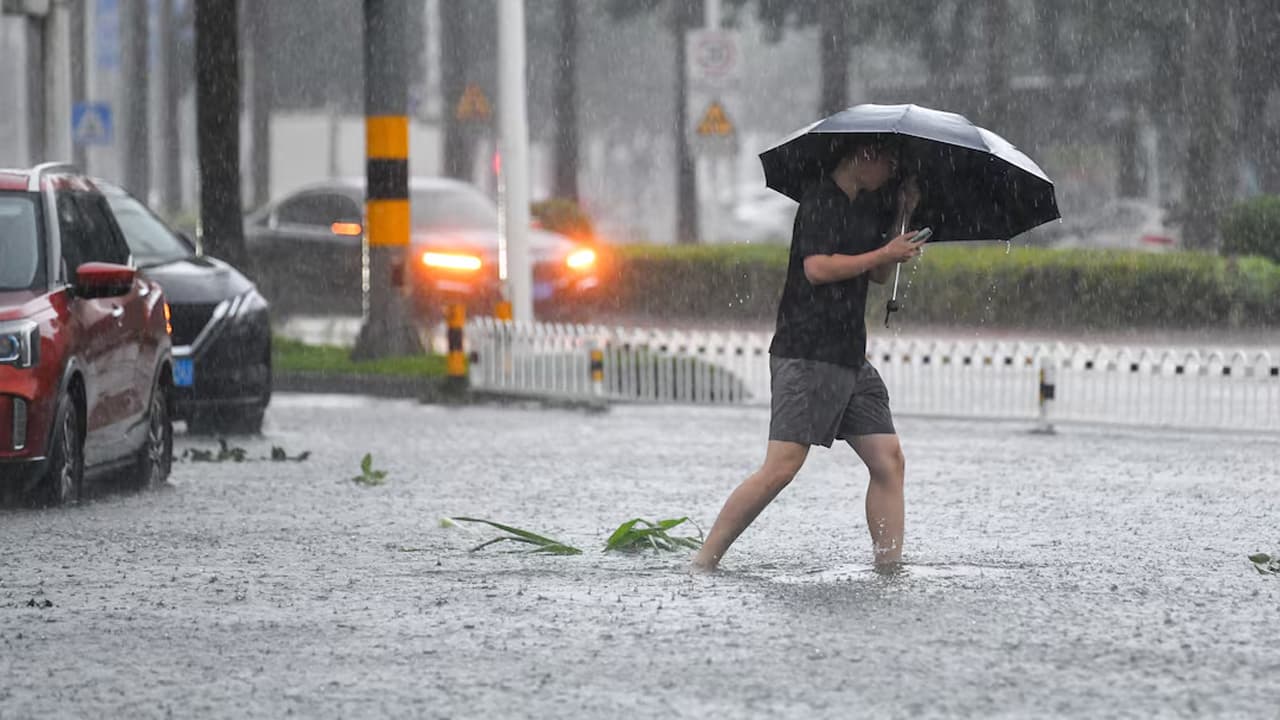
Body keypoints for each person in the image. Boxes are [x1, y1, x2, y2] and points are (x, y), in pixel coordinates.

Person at [692, 137, 922, 572]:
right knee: (781, 467)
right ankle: (704, 560)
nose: (891, 175)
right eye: (889, 165)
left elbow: (876, 273)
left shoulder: (868, 206)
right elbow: (816, 268)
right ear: (863, 156)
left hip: (849, 354)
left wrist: (899, 229)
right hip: (806, 351)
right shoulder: (821, 200)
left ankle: (889, 568)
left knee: (888, 458)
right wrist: (883, 252)